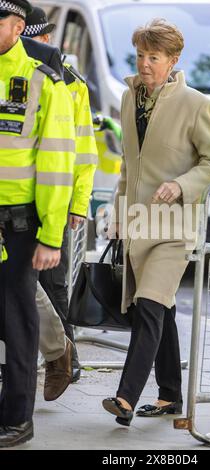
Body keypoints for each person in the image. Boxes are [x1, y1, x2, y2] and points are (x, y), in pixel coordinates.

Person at [102, 18, 210, 427]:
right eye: (140, 55)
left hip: (173, 228)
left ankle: (125, 397)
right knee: (164, 310)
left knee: (149, 307)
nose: (144, 64)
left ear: (173, 60)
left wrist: (181, 184)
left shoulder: (196, 104)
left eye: (153, 57)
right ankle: (171, 395)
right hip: (138, 224)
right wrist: (118, 216)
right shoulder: (128, 98)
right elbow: (127, 164)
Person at [0, 0, 75, 447]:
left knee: (17, 321)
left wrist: (51, 235)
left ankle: (17, 419)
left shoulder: (43, 81)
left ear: (17, 27)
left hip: (19, 224)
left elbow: (56, 164)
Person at [22, 6, 98, 386]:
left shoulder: (71, 83)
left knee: (51, 288)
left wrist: (78, 204)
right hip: (18, 196)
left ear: (45, 39)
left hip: (54, 202)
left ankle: (65, 357)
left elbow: (84, 153)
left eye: (30, 38)